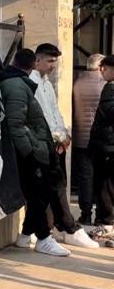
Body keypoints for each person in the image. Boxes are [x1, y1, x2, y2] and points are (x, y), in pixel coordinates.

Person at [0, 49, 71, 256]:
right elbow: (16, 124)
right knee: (38, 194)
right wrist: (29, 152)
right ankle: (43, 238)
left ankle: (25, 236)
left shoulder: (18, 83)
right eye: (49, 61)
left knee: (40, 193)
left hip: (36, 147)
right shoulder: (17, 86)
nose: (52, 65)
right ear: (33, 65)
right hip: (29, 151)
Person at [29, 43, 98, 248]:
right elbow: (40, 117)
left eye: (55, 62)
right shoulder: (32, 83)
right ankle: (68, 227)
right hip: (43, 144)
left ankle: (48, 228)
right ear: (37, 60)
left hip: (55, 143)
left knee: (55, 187)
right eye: (50, 61)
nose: (53, 65)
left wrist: (63, 134)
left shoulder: (47, 84)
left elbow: (55, 112)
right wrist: (57, 137)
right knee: (52, 188)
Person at [72, 54, 106, 225]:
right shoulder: (105, 85)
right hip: (100, 140)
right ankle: (101, 215)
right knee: (101, 179)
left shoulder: (76, 84)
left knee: (85, 178)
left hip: (80, 139)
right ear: (101, 67)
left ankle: (85, 214)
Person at [88, 54, 114, 231]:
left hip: (107, 145)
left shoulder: (110, 88)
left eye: (105, 68)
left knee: (105, 185)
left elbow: (109, 111)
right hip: (107, 144)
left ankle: (106, 223)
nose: (101, 71)